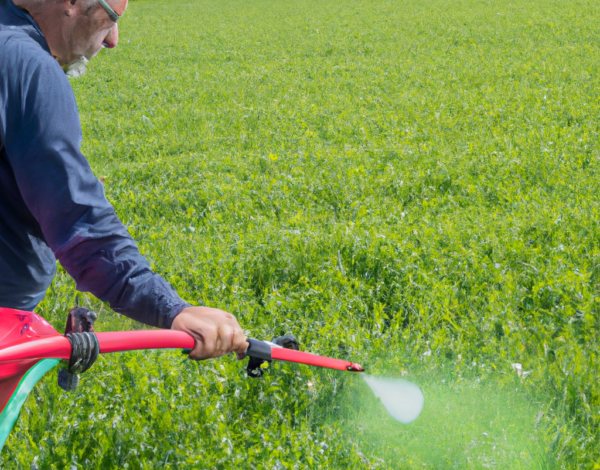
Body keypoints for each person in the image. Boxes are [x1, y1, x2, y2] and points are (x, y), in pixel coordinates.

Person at [0, 0, 248, 360]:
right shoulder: (29, 69)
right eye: (110, 18)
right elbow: (80, 222)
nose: (113, 39)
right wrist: (174, 309)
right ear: (70, 2)